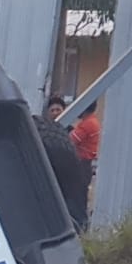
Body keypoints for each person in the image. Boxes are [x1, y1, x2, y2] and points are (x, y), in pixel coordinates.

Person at [35, 99, 88, 231]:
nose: (55, 112)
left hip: (78, 168)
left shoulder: (69, 132)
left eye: (58, 109)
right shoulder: (49, 133)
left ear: (64, 110)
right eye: (52, 110)